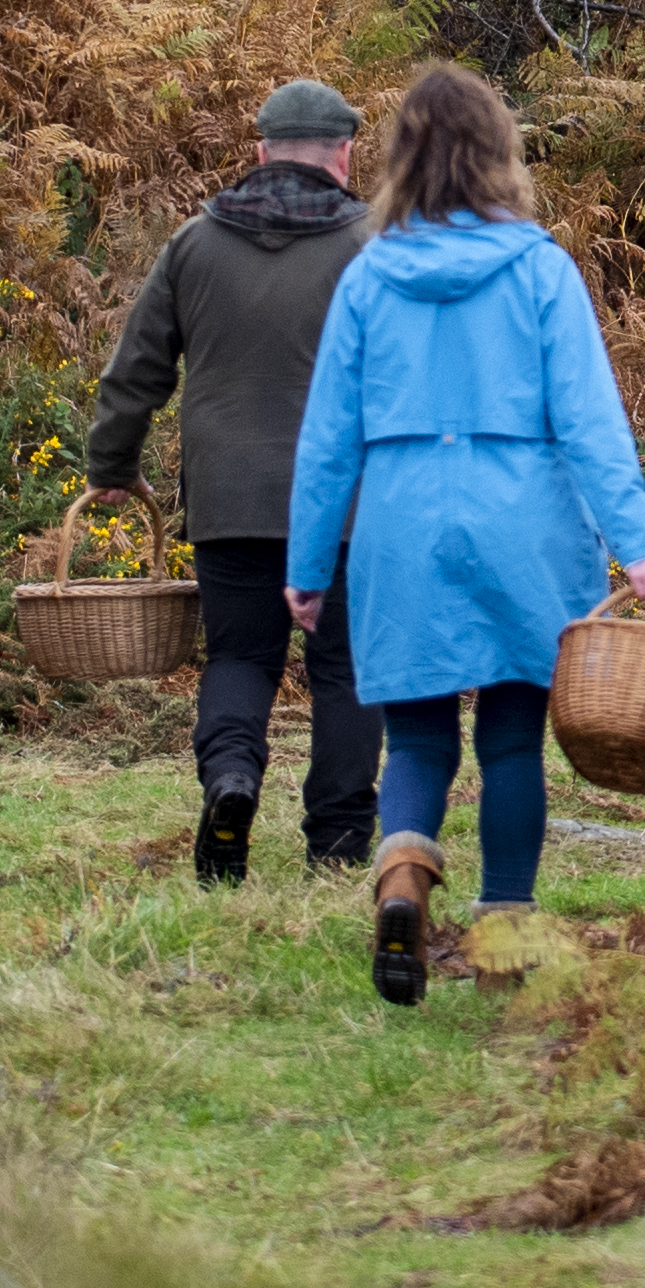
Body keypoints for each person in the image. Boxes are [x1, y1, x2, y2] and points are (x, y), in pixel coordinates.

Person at [281, 64, 645, 1007]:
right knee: (512, 739)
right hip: (524, 519)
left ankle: (399, 885)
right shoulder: (541, 268)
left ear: (400, 159)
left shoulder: (367, 276)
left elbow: (327, 436)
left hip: (402, 518)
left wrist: (307, 564)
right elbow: (591, 422)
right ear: (498, 153)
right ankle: (507, 927)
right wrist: (639, 544)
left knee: (419, 739)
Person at [84, 76, 382, 884]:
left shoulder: (194, 243)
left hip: (228, 501)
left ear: (258, 152)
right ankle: (341, 840)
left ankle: (231, 782)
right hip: (351, 508)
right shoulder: (371, 250)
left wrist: (111, 464)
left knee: (241, 658)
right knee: (345, 669)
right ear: (346, 155)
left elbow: (136, 369)